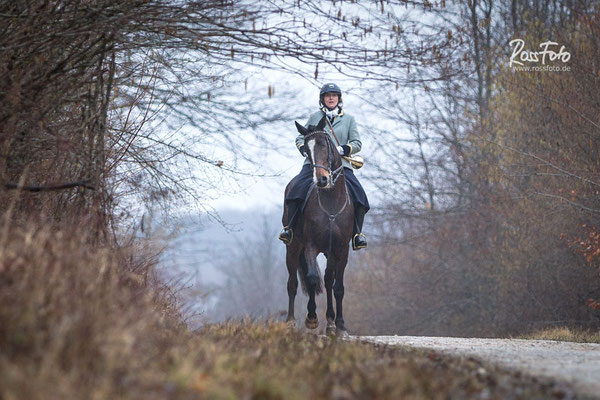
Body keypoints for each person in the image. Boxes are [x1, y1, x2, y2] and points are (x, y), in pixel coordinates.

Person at [278, 82, 369, 250]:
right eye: (328, 96)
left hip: (340, 166)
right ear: (323, 99)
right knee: (295, 190)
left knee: (360, 195)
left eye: (334, 95)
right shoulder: (314, 117)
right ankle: (289, 229)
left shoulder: (349, 119)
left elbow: (357, 143)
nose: (331, 98)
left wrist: (343, 149)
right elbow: (300, 137)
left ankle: (357, 235)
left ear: (339, 99)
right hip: (314, 163)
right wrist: (305, 150)